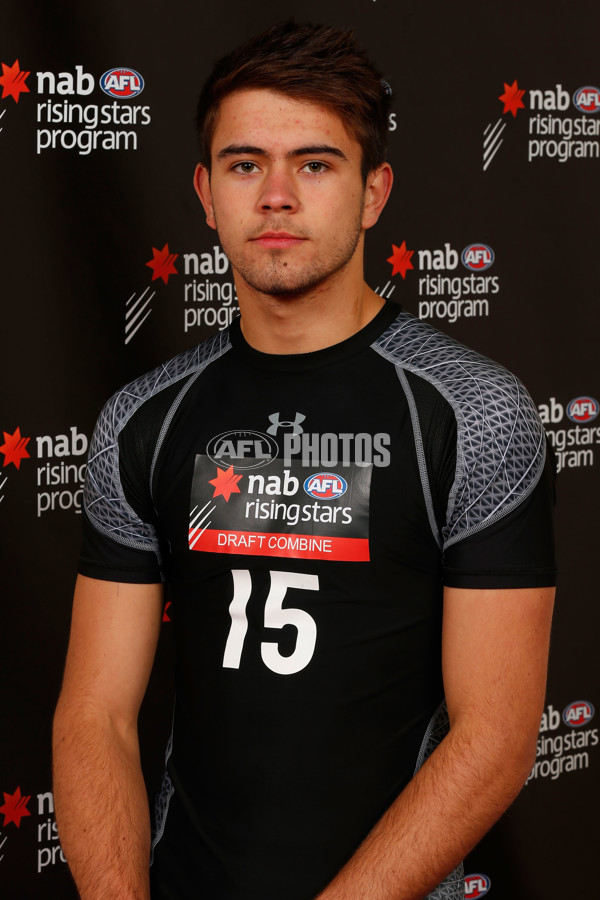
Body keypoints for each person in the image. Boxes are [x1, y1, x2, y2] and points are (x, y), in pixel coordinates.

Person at [53, 20, 556, 900]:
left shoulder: (472, 412)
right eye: (246, 165)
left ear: (373, 193)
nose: (276, 195)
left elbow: (497, 736)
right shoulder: (146, 420)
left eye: (316, 164)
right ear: (207, 193)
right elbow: (95, 715)